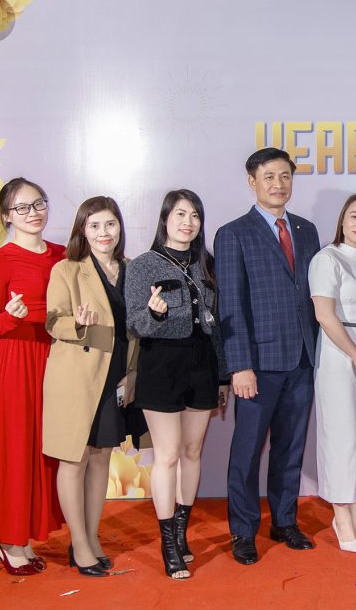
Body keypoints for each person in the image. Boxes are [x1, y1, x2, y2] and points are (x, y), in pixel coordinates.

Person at [215, 148, 321, 566]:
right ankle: (243, 531)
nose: (278, 184)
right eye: (269, 177)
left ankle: (284, 521)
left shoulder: (307, 230)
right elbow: (230, 305)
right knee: (247, 452)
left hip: (302, 359)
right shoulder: (233, 233)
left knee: (290, 448)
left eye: (285, 176)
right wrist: (239, 365)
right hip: (257, 364)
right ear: (252, 181)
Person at [126, 190, 228, 579]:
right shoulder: (144, 265)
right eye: (180, 214)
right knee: (167, 455)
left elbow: (218, 325)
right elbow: (134, 323)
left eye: (195, 215)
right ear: (165, 219)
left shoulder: (207, 265)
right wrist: (154, 314)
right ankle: (168, 543)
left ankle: (182, 532)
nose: (188, 222)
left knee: (192, 450)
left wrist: (222, 376)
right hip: (161, 366)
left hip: (202, 365)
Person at [42, 196, 146, 575]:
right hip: (77, 378)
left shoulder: (133, 270)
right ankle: (80, 543)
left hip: (116, 377)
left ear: (120, 227)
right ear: (82, 231)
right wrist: (79, 324)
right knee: (75, 459)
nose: (104, 233)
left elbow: (138, 330)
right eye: (95, 225)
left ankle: (91, 535)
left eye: (110, 224)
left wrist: (133, 373)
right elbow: (53, 321)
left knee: (101, 456)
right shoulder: (67, 270)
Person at [0, 177, 64, 575]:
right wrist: (11, 317)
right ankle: (10, 542)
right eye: (22, 208)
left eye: (39, 203)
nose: (33, 213)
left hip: (55, 359)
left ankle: (28, 534)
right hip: (14, 362)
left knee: (45, 450)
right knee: (16, 450)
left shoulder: (62, 255)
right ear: (7, 216)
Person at [309, 194, 356, 554]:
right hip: (340, 357)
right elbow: (324, 315)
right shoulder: (327, 259)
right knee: (342, 437)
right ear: (342, 220)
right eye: (354, 216)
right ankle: (341, 518)